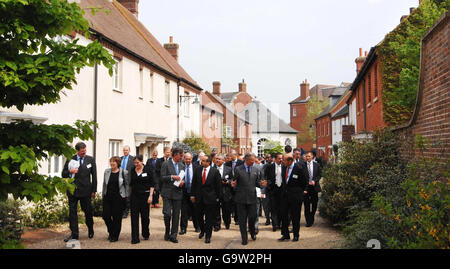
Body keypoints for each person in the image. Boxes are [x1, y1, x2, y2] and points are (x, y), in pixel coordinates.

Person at [62, 142, 97, 242]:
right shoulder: (70, 159)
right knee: (72, 213)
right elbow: (63, 174)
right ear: (77, 151)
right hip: (73, 190)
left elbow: (94, 176)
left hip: (86, 191)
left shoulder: (90, 159)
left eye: (85, 151)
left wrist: (94, 190)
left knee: (88, 211)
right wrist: (70, 172)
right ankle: (74, 234)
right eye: (82, 152)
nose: (84, 153)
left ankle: (90, 229)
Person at [231, 153, 267, 245]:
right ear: (247, 160)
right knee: (242, 220)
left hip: (252, 199)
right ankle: (244, 238)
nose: (254, 161)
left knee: (252, 218)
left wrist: (261, 184)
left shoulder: (256, 169)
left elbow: (257, 183)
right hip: (241, 199)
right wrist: (232, 185)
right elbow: (234, 182)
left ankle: (252, 231)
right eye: (252, 160)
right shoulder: (238, 169)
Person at [191, 155, 222, 244]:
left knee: (209, 219)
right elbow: (194, 183)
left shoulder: (215, 171)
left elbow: (218, 186)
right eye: (201, 160)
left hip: (210, 199)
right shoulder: (197, 170)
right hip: (199, 198)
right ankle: (202, 230)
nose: (202, 162)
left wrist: (217, 198)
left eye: (204, 161)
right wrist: (192, 195)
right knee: (199, 217)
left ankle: (208, 236)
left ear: (208, 162)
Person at [278, 154, 308, 242]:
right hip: (285, 196)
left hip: (295, 196)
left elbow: (304, 182)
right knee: (283, 215)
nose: (283, 162)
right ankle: (285, 235)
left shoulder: (299, 168)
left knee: (295, 216)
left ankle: (296, 235)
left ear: (290, 161)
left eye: (284, 160)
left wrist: (301, 192)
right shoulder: (284, 168)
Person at [160, 147, 185, 243]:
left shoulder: (182, 165)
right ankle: (167, 231)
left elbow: (183, 177)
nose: (181, 158)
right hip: (167, 192)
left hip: (178, 193)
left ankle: (174, 235)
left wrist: (182, 182)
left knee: (176, 215)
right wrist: (172, 177)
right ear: (175, 155)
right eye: (181, 155)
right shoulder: (165, 164)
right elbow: (162, 178)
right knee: (167, 213)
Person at [102, 156, 129, 242]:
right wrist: (103, 194)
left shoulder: (124, 172)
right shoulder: (106, 171)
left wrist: (127, 197)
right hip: (107, 197)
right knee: (106, 216)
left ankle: (115, 236)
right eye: (111, 162)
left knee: (117, 218)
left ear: (118, 163)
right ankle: (111, 231)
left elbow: (127, 185)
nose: (112, 163)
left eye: (114, 162)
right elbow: (104, 184)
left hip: (118, 198)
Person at [129, 155, 154, 244]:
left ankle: (145, 233)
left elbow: (152, 184)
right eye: (135, 163)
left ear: (142, 161)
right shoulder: (132, 170)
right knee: (134, 217)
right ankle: (135, 238)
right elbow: (130, 184)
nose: (136, 164)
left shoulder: (148, 170)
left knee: (145, 217)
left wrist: (150, 196)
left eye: (138, 163)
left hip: (145, 196)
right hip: (135, 196)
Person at [180, 152, 199, 234]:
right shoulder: (181, 167)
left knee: (195, 211)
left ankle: (197, 227)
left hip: (193, 192)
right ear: (184, 159)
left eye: (189, 159)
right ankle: (183, 229)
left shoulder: (197, 167)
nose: (188, 160)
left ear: (192, 159)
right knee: (184, 211)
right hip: (183, 192)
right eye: (186, 159)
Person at [224, 150, 244, 225]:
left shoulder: (241, 163)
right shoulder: (227, 164)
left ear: (235, 155)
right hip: (229, 187)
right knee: (229, 204)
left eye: (231, 155)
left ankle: (237, 219)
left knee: (237, 204)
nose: (229, 156)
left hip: (238, 186)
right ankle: (228, 219)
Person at [265, 152, 283, 231]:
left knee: (281, 208)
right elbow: (266, 177)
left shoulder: (284, 166)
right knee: (273, 208)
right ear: (275, 159)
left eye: (281, 158)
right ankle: (274, 225)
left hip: (282, 190)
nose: (281, 160)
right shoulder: (269, 167)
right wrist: (269, 186)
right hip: (273, 190)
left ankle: (279, 224)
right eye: (279, 158)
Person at [303, 151, 322, 227]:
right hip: (306, 188)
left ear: (312, 157)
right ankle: (308, 221)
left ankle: (312, 216)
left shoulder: (317, 165)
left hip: (314, 187)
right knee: (306, 205)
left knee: (314, 204)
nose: (307, 158)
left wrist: (314, 181)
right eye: (306, 156)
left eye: (309, 156)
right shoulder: (302, 165)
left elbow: (319, 175)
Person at [215, 154, 233, 230]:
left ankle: (227, 222)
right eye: (216, 159)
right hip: (216, 193)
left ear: (223, 160)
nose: (217, 160)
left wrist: (228, 182)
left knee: (226, 210)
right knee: (216, 210)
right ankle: (217, 225)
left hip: (226, 193)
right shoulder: (213, 169)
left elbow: (232, 180)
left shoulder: (228, 169)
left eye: (219, 159)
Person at [120, 146, 134, 219]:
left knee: (127, 197)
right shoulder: (120, 158)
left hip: (129, 180)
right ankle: (122, 211)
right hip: (120, 180)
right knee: (121, 196)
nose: (125, 151)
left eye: (127, 150)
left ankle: (126, 212)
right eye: (124, 150)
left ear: (129, 151)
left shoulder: (132, 159)